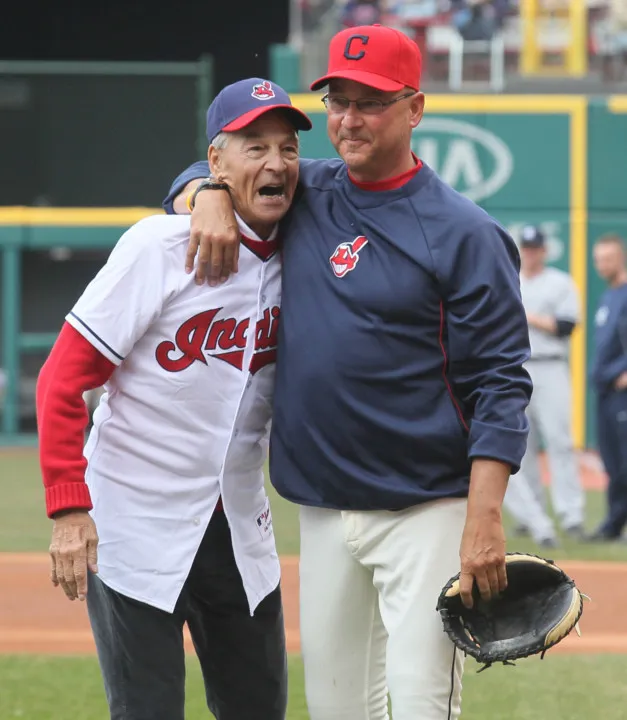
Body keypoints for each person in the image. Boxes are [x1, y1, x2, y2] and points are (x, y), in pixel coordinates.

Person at [164, 25, 532, 720]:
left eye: (370, 102)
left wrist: (483, 519)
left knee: (423, 707)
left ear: (414, 108)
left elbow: (501, 383)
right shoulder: (308, 188)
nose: (347, 119)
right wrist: (206, 189)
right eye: (337, 100)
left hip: (425, 507)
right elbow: (210, 174)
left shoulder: (464, 232)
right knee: (335, 711)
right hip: (325, 507)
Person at [35, 77, 312, 720]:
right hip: (135, 521)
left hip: (241, 527)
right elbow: (61, 381)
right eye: (252, 146)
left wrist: (210, 189)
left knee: (257, 708)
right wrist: (67, 509)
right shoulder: (158, 247)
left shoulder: (307, 243)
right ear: (215, 161)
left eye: (288, 148)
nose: (275, 162)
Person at [502, 224, 584, 546]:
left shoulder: (560, 283)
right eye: (527, 247)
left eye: (536, 247)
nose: (531, 252)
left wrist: (526, 314)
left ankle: (571, 515)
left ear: (544, 251)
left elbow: (565, 326)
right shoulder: (512, 279)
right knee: (524, 448)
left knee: (561, 442)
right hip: (518, 367)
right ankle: (532, 516)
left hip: (551, 367)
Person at [587, 233, 627, 541]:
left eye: (607, 259)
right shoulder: (608, 295)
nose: (602, 265)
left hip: (622, 392)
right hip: (605, 392)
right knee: (612, 461)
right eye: (598, 259)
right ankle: (613, 524)